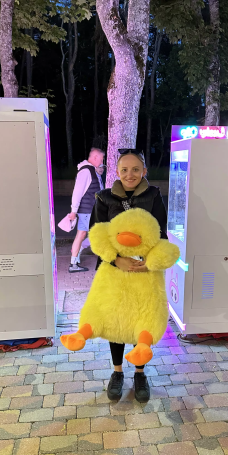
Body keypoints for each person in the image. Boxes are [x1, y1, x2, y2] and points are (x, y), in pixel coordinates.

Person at [89, 148, 168, 402]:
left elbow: (161, 234)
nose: (130, 174)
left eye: (135, 169)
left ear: (144, 171)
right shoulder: (104, 198)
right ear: (117, 171)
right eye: (124, 170)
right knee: (117, 320)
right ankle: (117, 372)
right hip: (114, 272)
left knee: (140, 320)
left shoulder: (153, 195)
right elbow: (97, 235)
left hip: (145, 273)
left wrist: (150, 262)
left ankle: (140, 373)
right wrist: (117, 260)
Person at [68, 148, 105, 273]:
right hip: (88, 211)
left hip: (88, 210)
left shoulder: (91, 170)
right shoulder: (85, 172)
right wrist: (73, 211)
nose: (102, 162)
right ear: (95, 157)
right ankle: (105, 262)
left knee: (81, 235)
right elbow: (77, 192)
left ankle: (74, 261)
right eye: (101, 159)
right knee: (100, 234)